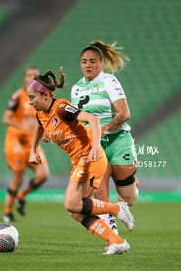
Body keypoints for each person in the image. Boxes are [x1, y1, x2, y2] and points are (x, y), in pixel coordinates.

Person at [27, 68, 134, 255]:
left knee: (70, 203)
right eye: (28, 98)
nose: (30, 101)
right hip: (79, 162)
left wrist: (94, 146)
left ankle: (117, 208)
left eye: (32, 97)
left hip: (90, 158)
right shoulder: (41, 113)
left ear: (45, 95)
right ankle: (117, 241)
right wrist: (33, 148)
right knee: (76, 211)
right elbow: (40, 125)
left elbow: (91, 118)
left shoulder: (60, 107)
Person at [70, 40, 140, 234]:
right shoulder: (75, 89)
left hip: (118, 139)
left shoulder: (108, 81)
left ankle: (132, 182)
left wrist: (105, 128)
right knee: (101, 192)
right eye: (84, 61)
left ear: (101, 63)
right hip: (95, 146)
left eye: (92, 61)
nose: (88, 65)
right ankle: (114, 238)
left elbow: (125, 114)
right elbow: (77, 120)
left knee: (128, 198)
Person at [2, 66, 50, 223]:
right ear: (24, 79)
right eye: (29, 75)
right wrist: (22, 126)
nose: (32, 77)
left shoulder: (43, 96)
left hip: (32, 142)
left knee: (43, 175)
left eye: (35, 75)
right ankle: (7, 212)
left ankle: (21, 196)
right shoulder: (18, 96)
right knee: (18, 177)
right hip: (15, 141)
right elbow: (6, 118)